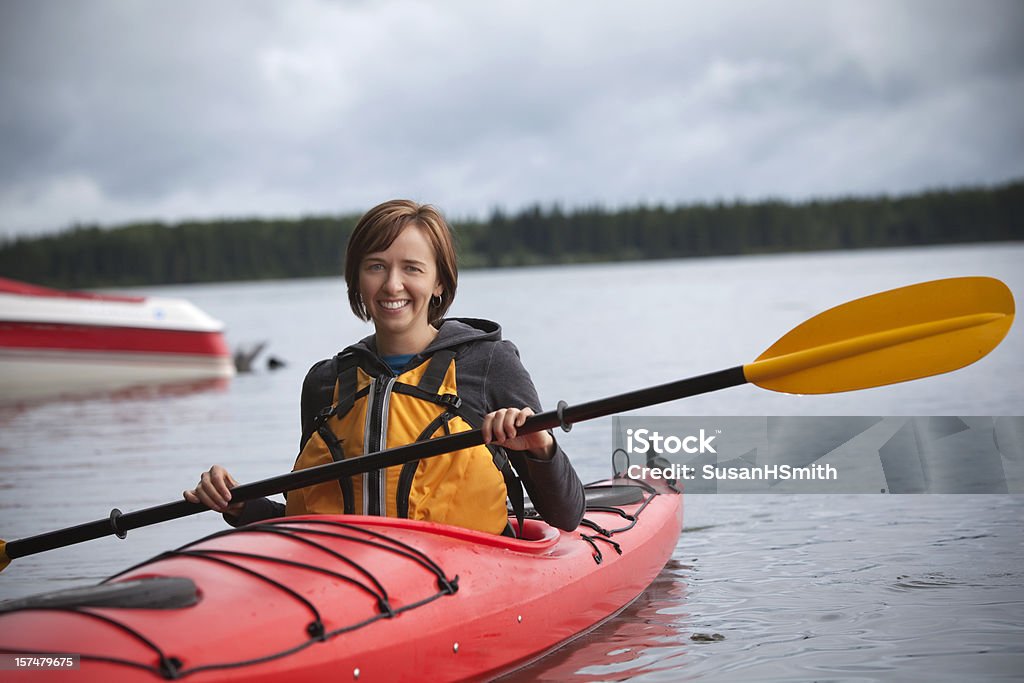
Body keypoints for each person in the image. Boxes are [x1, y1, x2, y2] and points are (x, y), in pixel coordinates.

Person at [184, 199, 585, 535]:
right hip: (350, 579)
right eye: (376, 266)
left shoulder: (489, 365)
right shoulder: (326, 383)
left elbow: (566, 515)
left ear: (439, 283)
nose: (393, 284)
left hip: (466, 579)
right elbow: (307, 519)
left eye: (412, 268)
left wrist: (540, 447)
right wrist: (241, 507)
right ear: (357, 280)